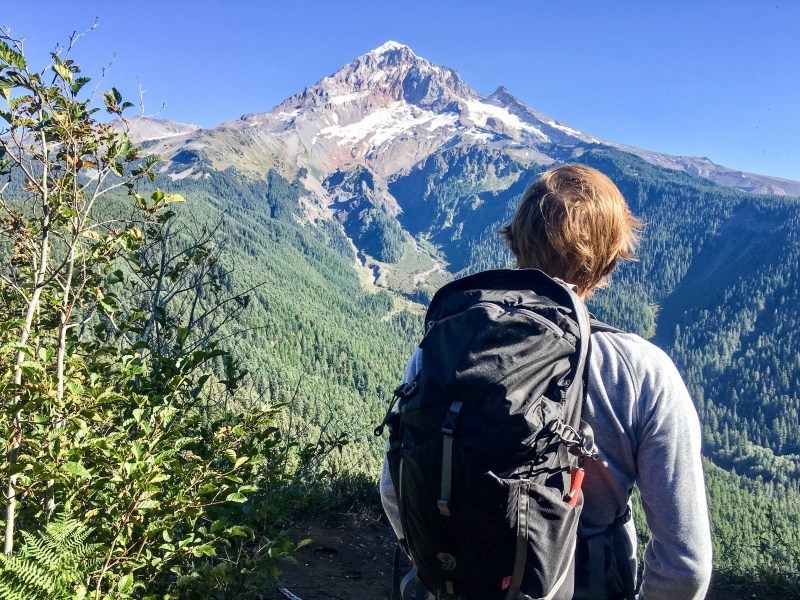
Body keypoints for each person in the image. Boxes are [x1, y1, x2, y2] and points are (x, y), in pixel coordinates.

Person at [380, 164, 713, 599]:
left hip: (459, 579)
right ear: (611, 257)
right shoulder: (641, 371)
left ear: (515, 239)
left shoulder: (444, 348)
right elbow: (685, 565)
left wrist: (445, 558)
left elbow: (395, 488)